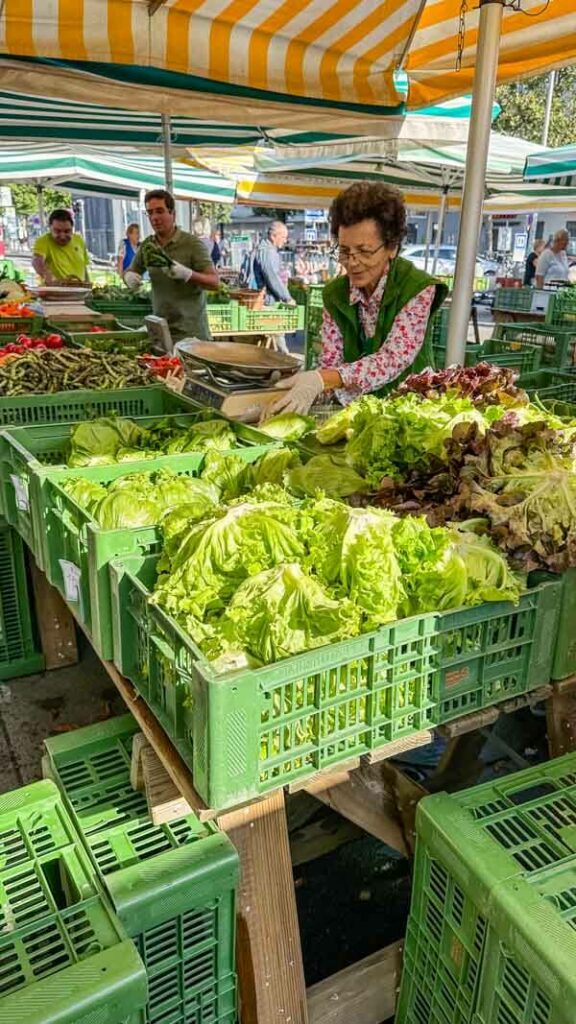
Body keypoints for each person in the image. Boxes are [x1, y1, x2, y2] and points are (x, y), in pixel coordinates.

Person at [262, 182, 447, 418]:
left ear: (392, 247)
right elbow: (330, 362)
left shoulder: (417, 287)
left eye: (365, 251)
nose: (352, 262)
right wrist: (297, 393)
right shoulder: (335, 295)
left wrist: (325, 379)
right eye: (345, 251)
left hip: (414, 414)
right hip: (357, 415)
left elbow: (393, 358)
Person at [125, 189, 219, 342]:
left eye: (160, 211)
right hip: (161, 332)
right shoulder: (148, 246)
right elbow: (131, 270)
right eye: (150, 213)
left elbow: (215, 282)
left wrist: (188, 274)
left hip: (192, 334)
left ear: (172, 214)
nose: (155, 218)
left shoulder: (192, 244)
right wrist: (128, 277)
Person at [32, 208, 90, 285]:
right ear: (50, 228)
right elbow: (37, 261)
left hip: (79, 292)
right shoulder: (43, 241)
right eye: (57, 231)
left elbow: (84, 268)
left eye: (67, 231)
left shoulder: (79, 240)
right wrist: (48, 277)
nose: (62, 236)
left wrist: (88, 286)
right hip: (54, 293)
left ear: (72, 228)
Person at [254, 222, 295, 305]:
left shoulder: (264, 249)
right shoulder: (268, 252)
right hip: (266, 300)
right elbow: (272, 277)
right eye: (283, 237)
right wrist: (287, 298)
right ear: (273, 236)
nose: (285, 241)